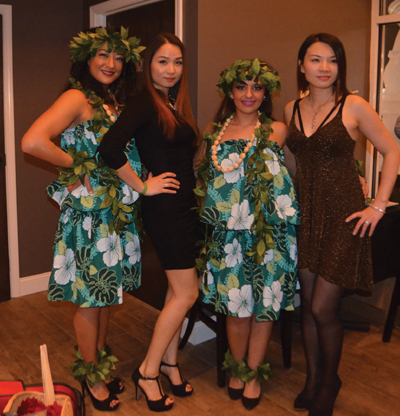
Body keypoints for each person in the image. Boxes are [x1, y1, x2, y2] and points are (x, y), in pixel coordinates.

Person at [21, 27, 175, 412]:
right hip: (91, 218)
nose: (111, 63)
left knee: (107, 295)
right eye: (102, 55)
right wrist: (77, 165)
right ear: (86, 59)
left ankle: (100, 367)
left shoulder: (112, 103)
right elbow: (33, 141)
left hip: (115, 217)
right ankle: (91, 378)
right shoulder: (76, 97)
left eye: (118, 57)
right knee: (91, 301)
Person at [284, 33, 400, 416]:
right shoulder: (290, 109)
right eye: (315, 59)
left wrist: (378, 205)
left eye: (332, 60)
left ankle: (329, 382)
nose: (324, 68)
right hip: (306, 215)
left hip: (344, 217)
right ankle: (313, 379)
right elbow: (295, 164)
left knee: (322, 308)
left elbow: (392, 151)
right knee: (307, 306)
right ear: (301, 65)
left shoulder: (354, 105)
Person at [98, 33, 199, 412]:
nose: (171, 69)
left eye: (177, 62)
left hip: (183, 206)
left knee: (178, 291)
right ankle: (148, 370)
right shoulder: (144, 102)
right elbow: (109, 148)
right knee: (188, 294)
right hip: (165, 210)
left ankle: (170, 364)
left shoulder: (172, 102)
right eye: (163, 61)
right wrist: (142, 186)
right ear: (148, 65)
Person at [196, 59, 300, 410]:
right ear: (230, 91)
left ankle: (253, 373)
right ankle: (238, 368)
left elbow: (298, 170)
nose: (249, 94)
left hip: (270, 234)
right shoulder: (214, 132)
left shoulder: (277, 130)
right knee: (237, 307)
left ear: (266, 93)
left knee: (263, 306)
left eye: (257, 87)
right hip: (228, 237)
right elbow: (201, 173)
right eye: (241, 86)